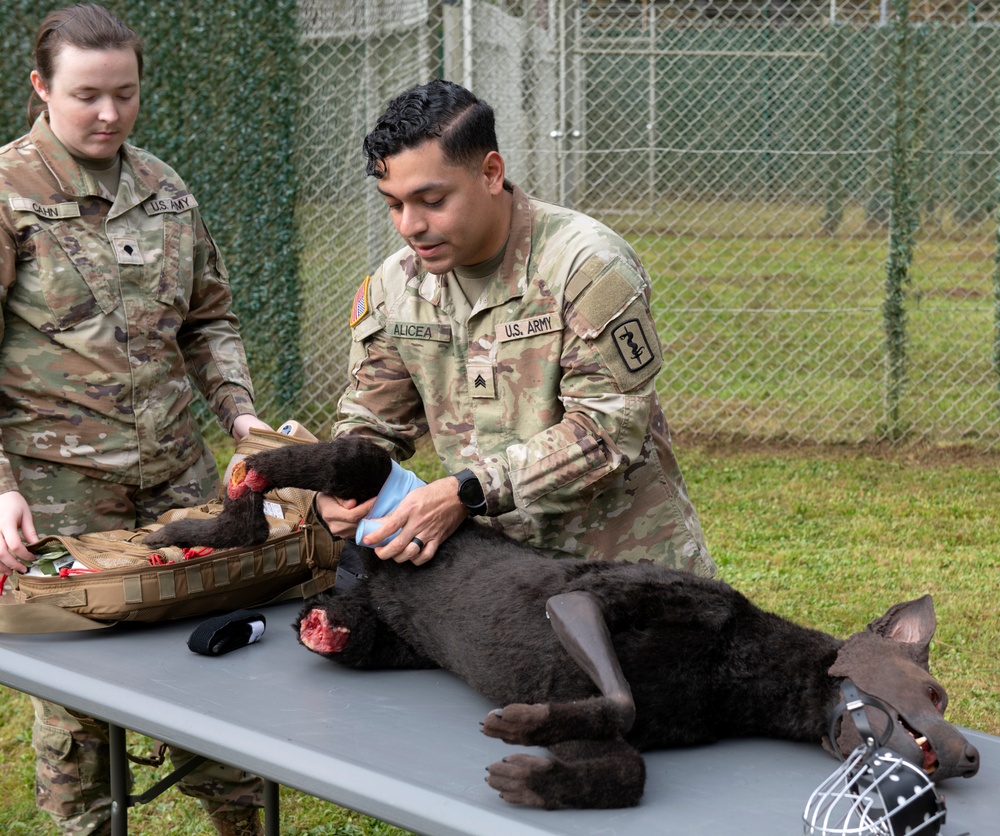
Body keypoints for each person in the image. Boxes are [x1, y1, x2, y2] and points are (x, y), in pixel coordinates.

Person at [0, 5, 268, 834]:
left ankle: (242, 814)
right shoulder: (7, 195)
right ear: (42, 87)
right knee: (81, 699)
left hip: (176, 478)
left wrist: (244, 419)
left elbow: (207, 319)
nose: (109, 114)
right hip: (61, 496)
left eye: (125, 94)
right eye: (86, 96)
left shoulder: (163, 188)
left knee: (214, 652)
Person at [315, 79, 716, 582]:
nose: (409, 226)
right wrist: (345, 482)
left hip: (626, 570)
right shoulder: (397, 287)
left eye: (431, 200)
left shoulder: (586, 265)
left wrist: (465, 491)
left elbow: (607, 430)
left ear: (490, 173)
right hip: (499, 580)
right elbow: (372, 420)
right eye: (393, 204)